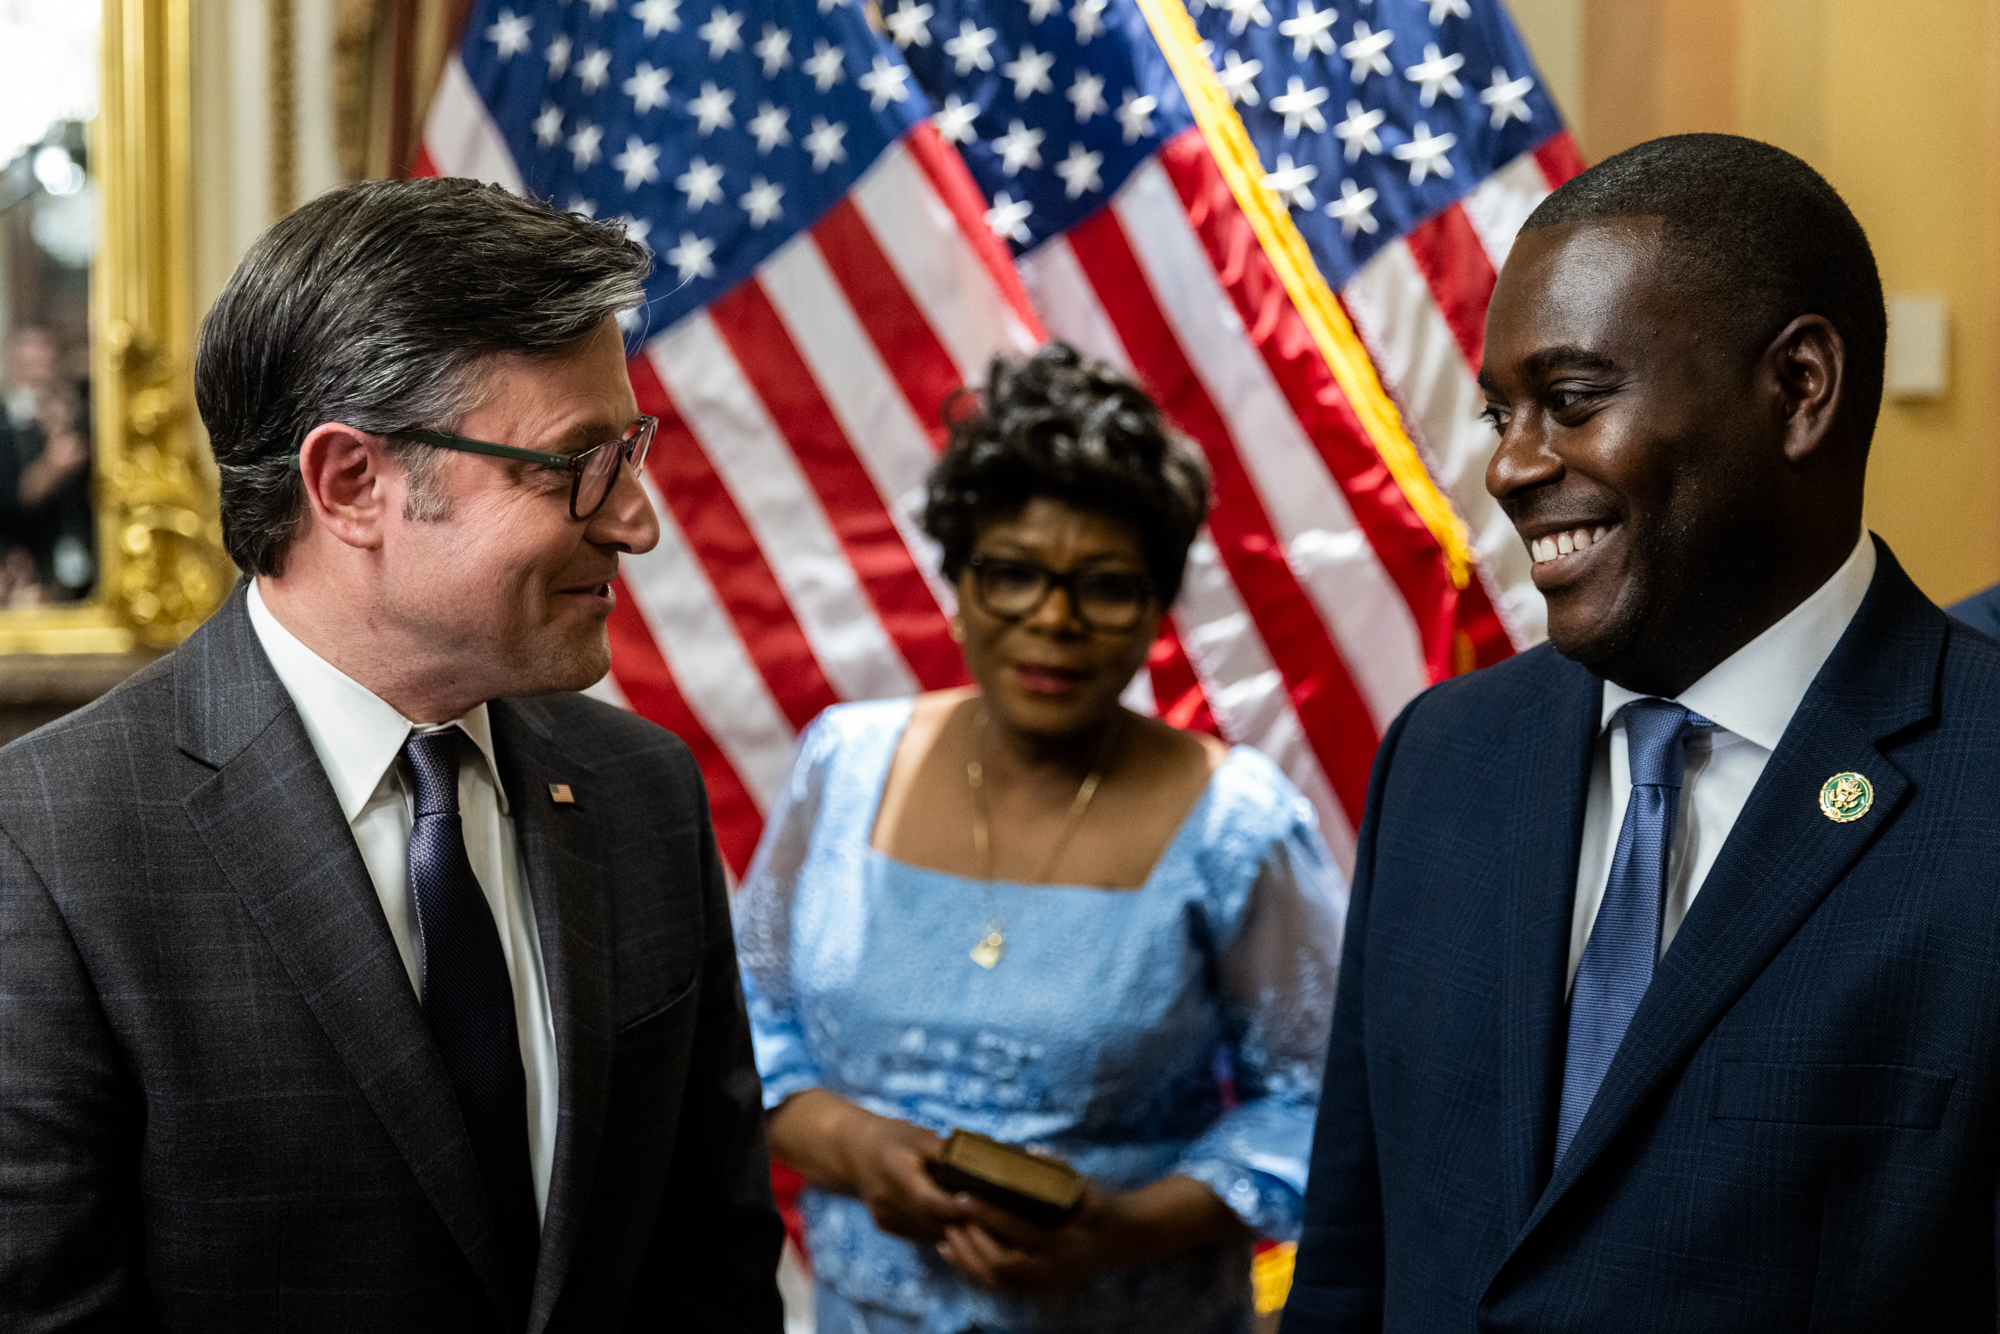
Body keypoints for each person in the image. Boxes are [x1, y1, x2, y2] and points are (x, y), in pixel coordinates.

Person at [0, 179, 785, 1331]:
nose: (636, 520)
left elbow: (706, 1266)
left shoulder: (640, 788)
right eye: (573, 463)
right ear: (351, 484)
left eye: (628, 449)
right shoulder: (47, 846)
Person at [1283, 133, 2000, 1333]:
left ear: (1797, 389)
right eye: (1499, 413)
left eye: (1568, 401)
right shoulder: (1441, 759)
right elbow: (1350, 1269)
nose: (1510, 467)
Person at [734, 344, 1347, 1334]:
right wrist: (854, 1145)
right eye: (1011, 574)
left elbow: (1319, 1103)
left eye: (1102, 585)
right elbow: (740, 1030)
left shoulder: (1236, 821)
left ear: (1155, 603)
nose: (1052, 619)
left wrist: (1120, 1227)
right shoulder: (841, 767)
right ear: (958, 577)